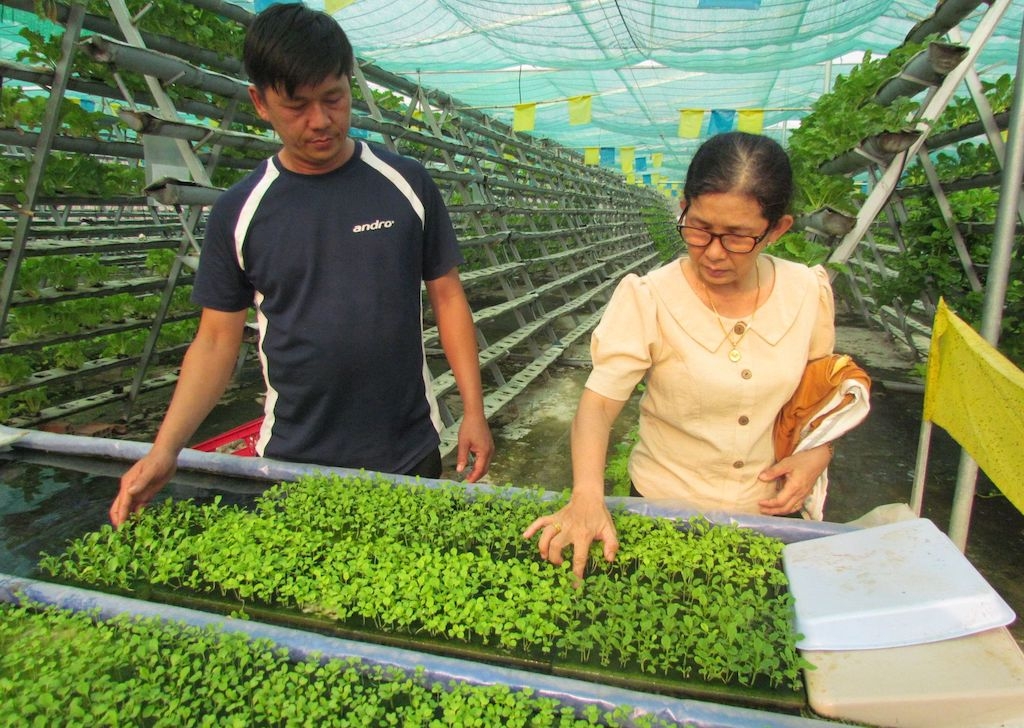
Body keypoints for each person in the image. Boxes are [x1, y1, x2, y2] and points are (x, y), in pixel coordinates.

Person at [110, 3, 493, 526]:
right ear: (260, 102)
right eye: (296, 105)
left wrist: (474, 411)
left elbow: (447, 297)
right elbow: (217, 341)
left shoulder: (405, 183)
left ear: (348, 86)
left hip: (406, 447)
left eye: (333, 98)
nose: (320, 121)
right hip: (294, 457)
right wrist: (165, 449)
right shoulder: (240, 211)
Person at [524, 131, 843, 579]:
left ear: (777, 229)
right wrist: (587, 496)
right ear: (683, 208)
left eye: (737, 237)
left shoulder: (807, 291)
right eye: (699, 228)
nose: (713, 253)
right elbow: (597, 406)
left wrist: (818, 453)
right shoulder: (650, 297)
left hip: (769, 513)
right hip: (662, 509)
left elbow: (819, 394)